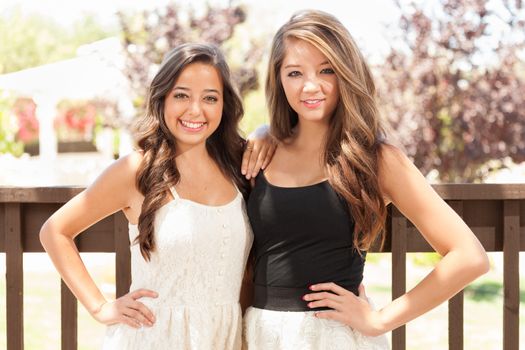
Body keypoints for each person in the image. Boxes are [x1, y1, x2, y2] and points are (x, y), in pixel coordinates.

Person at [242, 10, 489, 349]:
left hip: (333, 337)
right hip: (260, 333)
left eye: (326, 70)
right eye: (295, 72)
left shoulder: (377, 159)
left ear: (346, 73)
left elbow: (469, 256)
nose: (310, 85)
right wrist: (264, 130)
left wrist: (379, 320)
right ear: (279, 79)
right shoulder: (261, 153)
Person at [40, 43, 273, 349]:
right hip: (154, 336)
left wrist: (267, 130)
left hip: (224, 339)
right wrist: (100, 307)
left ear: (224, 105)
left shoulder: (239, 166)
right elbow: (55, 231)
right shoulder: (136, 169)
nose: (195, 110)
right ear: (162, 98)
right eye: (181, 95)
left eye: (210, 98)